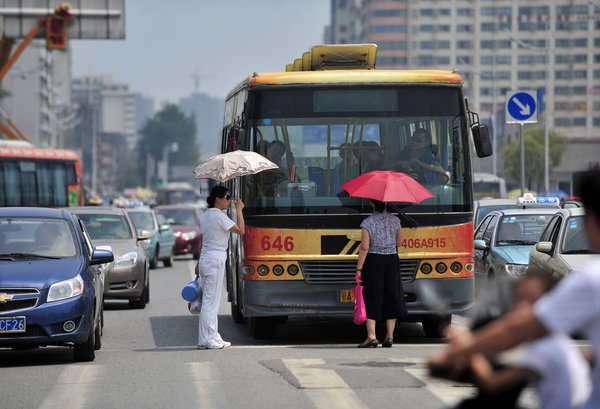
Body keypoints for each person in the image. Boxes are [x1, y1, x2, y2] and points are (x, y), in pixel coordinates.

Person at [427, 169, 600, 409]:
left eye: (530, 302)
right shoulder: (557, 350)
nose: (520, 308)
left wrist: (463, 348)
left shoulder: (592, 279)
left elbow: (515, 334)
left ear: (590, 220)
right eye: (516, 300)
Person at [463, 272, 591, 409]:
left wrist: (469, 350)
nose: (521, 307)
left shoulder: (544, 349)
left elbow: (492, 384)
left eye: (533, 300)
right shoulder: (554, 340)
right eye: (518, 299)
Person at [196, 185, 245, 350]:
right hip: (215, 259)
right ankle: (207, 339)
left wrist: (198, 262)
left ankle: (212, 335)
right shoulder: (219, 216)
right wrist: (239, 210)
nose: (229, 200)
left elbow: (202, 241)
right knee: (211, 302)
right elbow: (241, 230)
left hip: (205, 258)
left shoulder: (205, 216)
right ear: (218, 199)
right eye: (227, 197)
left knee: (209, 301)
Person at [355, 198, 406, 348]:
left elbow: (364, 247)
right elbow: (399, 243)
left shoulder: (367, 222)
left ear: (372, 204)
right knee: (391, 295)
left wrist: (359, 269)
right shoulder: (396, 220)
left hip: (374, 261)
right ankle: (389, 336)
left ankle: (371, 336)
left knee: (372, 296)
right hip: (391, 260)